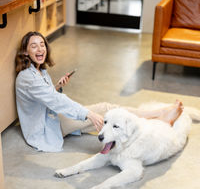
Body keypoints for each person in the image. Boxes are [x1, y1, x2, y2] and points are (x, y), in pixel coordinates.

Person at [15, 31, 183, 152]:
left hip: (52, 118)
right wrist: (88, 114)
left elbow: (46, 96)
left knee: (106, 116)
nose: (40, 49)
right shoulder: (27, 78)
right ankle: (158, 115)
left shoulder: (39, 71)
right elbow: (56, 101)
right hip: (46, 127)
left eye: (42, 44)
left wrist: (57, 86)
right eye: (34, 46)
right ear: (25, 52)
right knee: (105, 111)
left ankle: (155, 118)